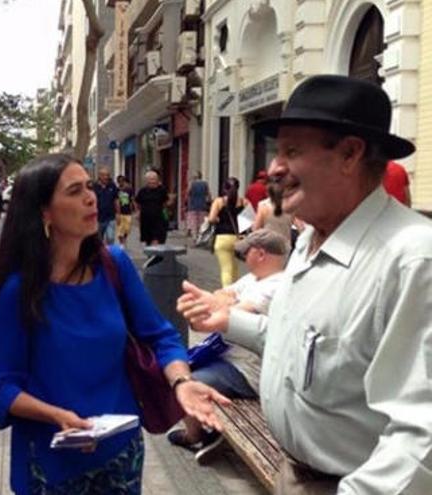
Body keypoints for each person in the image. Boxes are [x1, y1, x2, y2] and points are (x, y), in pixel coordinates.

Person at [179, 75, 432, 494]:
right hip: (296, 473)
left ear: (351, 153)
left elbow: (421, 437)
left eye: (292, 151)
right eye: (278, 151)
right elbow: (303, 341)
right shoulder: (309, 244)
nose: (274, 168)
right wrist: (227, 321)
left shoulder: (411, 260)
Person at [0, 153, 229, 495]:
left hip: (121, 454)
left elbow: (161, 337)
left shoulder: (115, 265)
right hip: (50, 464)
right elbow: (0, 387)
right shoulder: (19, 291)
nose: (90, 197)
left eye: (90, 186)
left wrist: (182, 382)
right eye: (74, 191)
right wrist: (57, 416)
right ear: (44, 211)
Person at [169, 229, 289, 461]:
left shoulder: (277, 285)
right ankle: (202, 429)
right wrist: (226, 302)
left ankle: (198, 435)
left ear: (261, 254)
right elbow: (221, 295)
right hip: (228, 358)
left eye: (246, 252)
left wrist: (228, 305)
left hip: (248, 371)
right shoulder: (253, 278)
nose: (242, 257)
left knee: (186, 382)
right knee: (179, 371)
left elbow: (230, 314)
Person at [208, 177, 247, 287]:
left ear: (224, 188)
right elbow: (250, 221)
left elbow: (211, 218)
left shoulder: (219, 202)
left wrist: (218, 219)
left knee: (226, 269)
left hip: (222, 238)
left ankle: (227, 293)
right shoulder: (244, 202)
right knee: (235, 268)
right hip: (239, 238)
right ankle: (236, 292)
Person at [135, 170, 169, 246]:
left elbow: (166, 202)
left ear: (157, 180)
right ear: (146, 181)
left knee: (156, 239)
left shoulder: (162, 190)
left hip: (158, 219)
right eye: (150, 179)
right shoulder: (142, 191)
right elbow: (137, 202)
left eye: (154, 179)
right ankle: (151, 255)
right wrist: (138, 212)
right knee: (148, 240)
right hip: (146, 219)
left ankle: (156, 255)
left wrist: (165, 212)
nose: (152, 181)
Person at [93, 166, 118, 244]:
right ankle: (100, 255)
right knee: (98, 240)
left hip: (110, 217)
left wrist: (118, 213)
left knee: (110, 238)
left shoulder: (112, 186)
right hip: (98, 218)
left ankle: (109, 254)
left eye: (107, 175)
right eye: (103, 175)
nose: (106, 177)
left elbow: (116, 200)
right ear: (99, 176)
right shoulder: (94, 187)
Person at [186, 171, 210, 238]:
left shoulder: (191, 184)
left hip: (192, 206)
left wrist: (187, 201)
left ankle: (195, 237)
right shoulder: (205, 184)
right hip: (202, 205)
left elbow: (188, 193)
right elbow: (208, 194)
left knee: (194, 223)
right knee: (201, 222)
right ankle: (201, 236)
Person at [115, 175, 137, 245]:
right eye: (119, 182)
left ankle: (124, 239)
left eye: (122, 181)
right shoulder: (117, 189)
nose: (120, 183)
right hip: (120, 212)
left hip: (128, 212)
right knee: (120, 229)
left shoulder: (129, 189)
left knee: (127, 229)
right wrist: (116, 212)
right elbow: (115, 201)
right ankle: (122, 242)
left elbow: (132, 199)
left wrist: (136, 209)